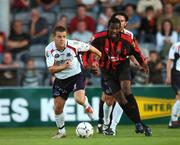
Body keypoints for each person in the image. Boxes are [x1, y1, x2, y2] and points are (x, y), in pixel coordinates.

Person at [91, 17, 152, 136]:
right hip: (107, 70)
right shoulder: (98, 37)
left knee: (126, 90)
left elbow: (136, 52)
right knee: (120, 99)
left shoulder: (127, 39)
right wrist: (92, 64)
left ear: (121, 29)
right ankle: (138, 123)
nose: (114, 31)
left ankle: (135, 124)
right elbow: (89, 50)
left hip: (122, 66)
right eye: (112, 29)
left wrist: (143, 63)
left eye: (117, 29)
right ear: (108, 28)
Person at [45, 26, 101, 139]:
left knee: (79, 99)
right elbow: (51, 69)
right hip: (60, 80)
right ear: (54, 37)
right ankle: (62, 132)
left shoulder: (74, 44)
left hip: (76, 75)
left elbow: (95, 50)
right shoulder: (49, 49)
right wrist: (63, 66)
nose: (62, 39)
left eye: (64, 37)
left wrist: (96, 62)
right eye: (59, 37)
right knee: (57, 107)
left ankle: (87, 106)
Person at [166, 42, 180, 128]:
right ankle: (173, 120)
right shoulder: (176, 46)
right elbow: (169, 61)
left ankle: (173, 121)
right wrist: (168, 76)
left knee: (178, 98)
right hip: (176, 73)